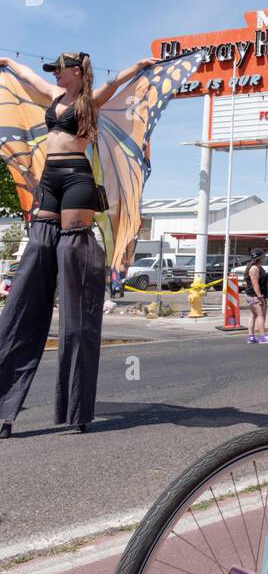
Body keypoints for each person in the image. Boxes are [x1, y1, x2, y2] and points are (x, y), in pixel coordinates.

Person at [0, 50, 152, 437]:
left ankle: (76, 407)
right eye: (54, 69)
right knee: (35, 261)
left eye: (60, 69)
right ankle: (5, 406)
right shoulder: (53, 97)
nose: (55, 73)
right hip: (48, 181)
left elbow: (118, 82)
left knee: (71, 261)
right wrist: (6, 63)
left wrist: (138, 66)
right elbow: (26, 75)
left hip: (77, 181)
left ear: (77, 72)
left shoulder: (90, 101)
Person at [243, 248, 268, 345]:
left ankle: (251, 337)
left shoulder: (255, 267)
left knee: (253, 315)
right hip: (255, 295)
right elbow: (255, 284)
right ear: (260, 257)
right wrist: (260, 296)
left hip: (251, 295)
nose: (264, 258)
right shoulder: (255, 268)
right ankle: (262, 337)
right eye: (263, 256)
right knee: (261, 316)